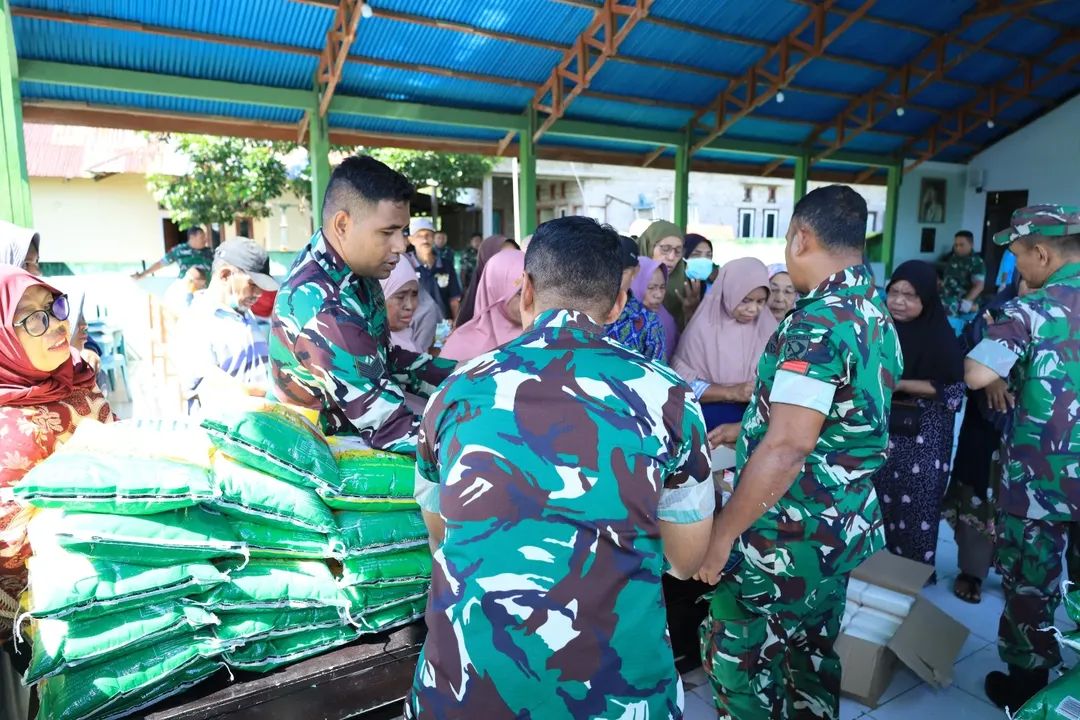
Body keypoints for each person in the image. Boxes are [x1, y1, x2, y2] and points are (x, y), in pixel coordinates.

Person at [405, 216, 713, 719]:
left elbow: (442, 530)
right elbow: (685, 559)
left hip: (464, 694)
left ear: (526, 290)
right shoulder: (669, 398)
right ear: (619, 302)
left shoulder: (455, 390)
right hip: (618, 696)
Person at [696, 185, 902, 719]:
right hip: (838, 528)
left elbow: (789, 447)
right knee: (808, 658)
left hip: (784, 536)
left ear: (801, 238)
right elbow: (840, 416)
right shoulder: (872, 311)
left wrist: (723, 535)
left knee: (740, 663)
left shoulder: (818, 321)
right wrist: (748, 428)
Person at [963, 204, 1080, 710]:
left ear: (1043, 254)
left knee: (1032, 584)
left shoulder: (1030, 310)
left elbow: (976, 375)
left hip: (1039, 484)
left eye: (1017, 257)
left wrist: (1002, 336)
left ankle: (1028, 689)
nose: (1016, 268)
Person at [270, 156, 455, 453]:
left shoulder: (354, 271)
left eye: (402, 231)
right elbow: (389, 427)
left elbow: (384, 361)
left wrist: (466, 375)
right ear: (342, 224)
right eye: (387, 232)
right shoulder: (324, 308)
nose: (401, 245)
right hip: (327, 455)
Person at [1, 267, 112, 654]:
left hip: (115, 577)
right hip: (30, 615)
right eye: (33, 317)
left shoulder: (79, 377)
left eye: (54, 306)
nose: (56, 324)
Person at [873, 260, 965, 572]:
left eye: (910, 295)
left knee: (917, 507)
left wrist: (902, 385)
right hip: (881, 433)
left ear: (926, 298)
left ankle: (913, 575)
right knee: (876, 502)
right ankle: (875, 572)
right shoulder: (878, 329)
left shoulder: (940, 336)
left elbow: (954, 390)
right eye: (894, 292)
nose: (899, 301)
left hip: (923, 440)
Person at [945, 275, 1030, 604]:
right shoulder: (996, 311)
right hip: (987, 425)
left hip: (1036, 432)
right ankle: (972, 571)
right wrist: (991, 376)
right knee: (978, 493)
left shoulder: (1063, 315)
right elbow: (963, 353)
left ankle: (1019, 574)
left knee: (1026, 504)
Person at [672, 257, 777, 430]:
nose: (753, 309)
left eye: (760, 302)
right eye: (745, 300)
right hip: (709, 423)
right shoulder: (702, 329)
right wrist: (732, 392)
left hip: (758, 423)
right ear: (728, 292)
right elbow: (682, 385)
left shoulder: (769, 327)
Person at [176, 238, 278, 414]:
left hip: (258, 422)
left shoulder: (243, 312)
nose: (259, 293)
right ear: (225, 275)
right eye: (253, 284)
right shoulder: (196, 321)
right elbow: (211, 385)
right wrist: (273, 393)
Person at [439, 249, 526, 363]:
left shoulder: (543, 335)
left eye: (535, 289)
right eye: (520, 292)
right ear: (496, 291)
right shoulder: (460, 349)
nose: (531, 299)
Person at [605, 236, 666, 361]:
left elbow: (658, 369)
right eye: (607, 269)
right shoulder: (582, 308)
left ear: (635, 271)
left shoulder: (649, 323)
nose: (613, 277)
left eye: (622, 272)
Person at [637, 220, 699, 330]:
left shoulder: (685, 285)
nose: (671, 257)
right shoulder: (627, 279)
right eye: (665, 249)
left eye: (678, 251)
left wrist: (690, 314)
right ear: (649, 246)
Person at [455, 234, 518, 327]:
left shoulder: (525, 290)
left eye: (514, 255)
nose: (509, 261)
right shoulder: (470, 313)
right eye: (502, 257)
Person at [407, 218, 462, 321]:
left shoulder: (446, 265)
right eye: (419, 236)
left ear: (433, 238)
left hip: (443, 325)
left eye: (428, 235)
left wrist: (456, 323)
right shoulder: (405, 265)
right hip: (415, 326)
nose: (425, 239)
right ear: (411, 240)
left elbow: (454, 299)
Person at [633, 255, 678, 362]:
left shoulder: (667, 321)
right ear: (635, 284)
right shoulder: (618, 317)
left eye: (662, 287)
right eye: (651, 287)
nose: (659, 295)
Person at [132, 226, 214, 280]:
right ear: (192, 237)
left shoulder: (209, 252)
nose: (205, 240)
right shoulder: (179, 250)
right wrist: (143, 274)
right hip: (189, 289)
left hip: (210, 289)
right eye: (202, 237)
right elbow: (161, 263)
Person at [380, 259, 423, 354]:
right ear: (380, 298)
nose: (410, 306)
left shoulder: (411, 338)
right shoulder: (372, 349)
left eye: (414, 295)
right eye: (400, 297)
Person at [941, 230, 987, 314]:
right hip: (946, 296)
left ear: (971, 245)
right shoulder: (953, 258)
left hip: (961, 302)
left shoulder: (976, 262)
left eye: (961, 245)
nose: (958, 248)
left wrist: (965, 303)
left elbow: (978, 286)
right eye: (956, 245)